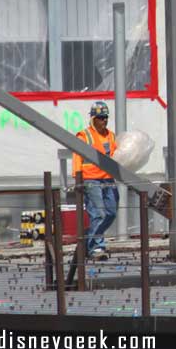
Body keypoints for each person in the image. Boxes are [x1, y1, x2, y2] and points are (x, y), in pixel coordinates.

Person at [72, 101, 118, 260]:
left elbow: (117, 156)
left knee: (111, 213)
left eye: (105, 117)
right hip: (91, 179)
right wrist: (77, 177)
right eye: (100, 117)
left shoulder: (111, 135)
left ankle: (89, 238)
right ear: (93, 119)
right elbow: (77, 157)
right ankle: (96, 248)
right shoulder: (84, 136)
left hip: (108, 179)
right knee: (98, 214)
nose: (104, 120)